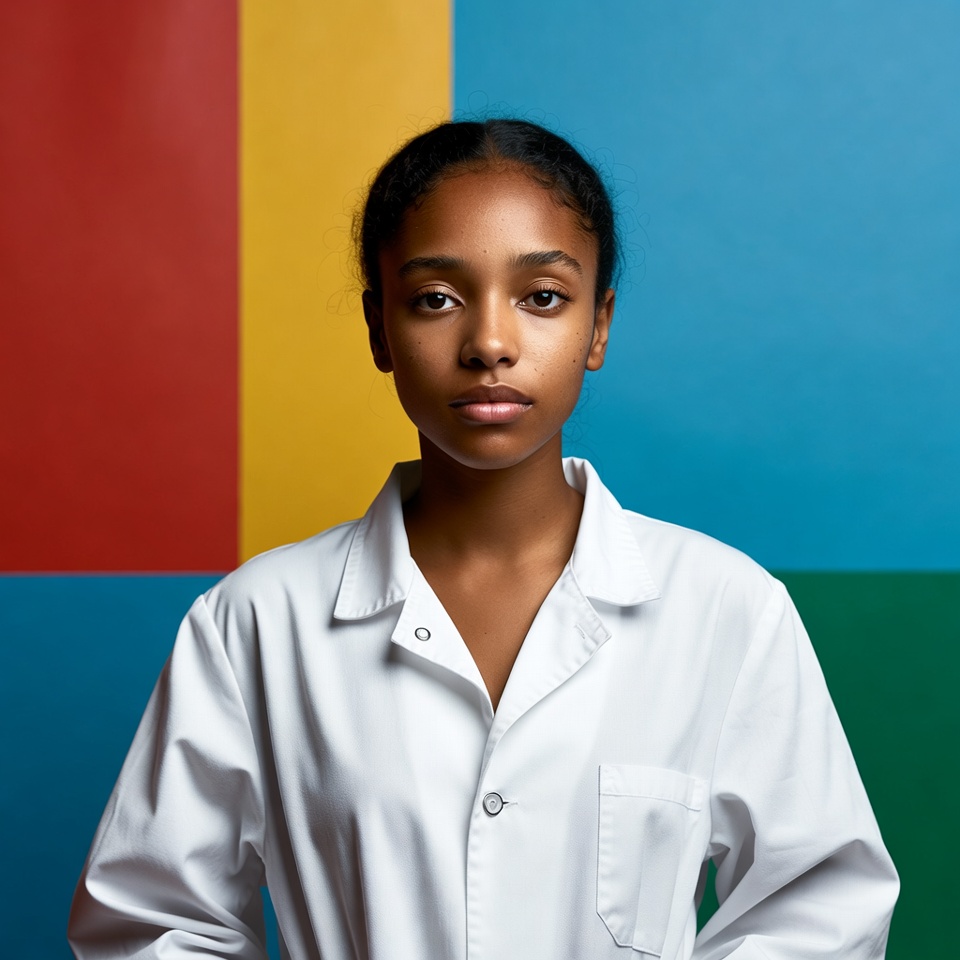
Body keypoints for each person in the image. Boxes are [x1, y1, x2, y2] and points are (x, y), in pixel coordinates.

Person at [69, 119, 898, 960]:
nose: (490, 344)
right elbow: (150, 922)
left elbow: (821, 907)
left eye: (543, 297)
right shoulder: (255, 621)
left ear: (599, 325)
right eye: (436, 298)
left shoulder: (725, 607)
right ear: (379, 328)